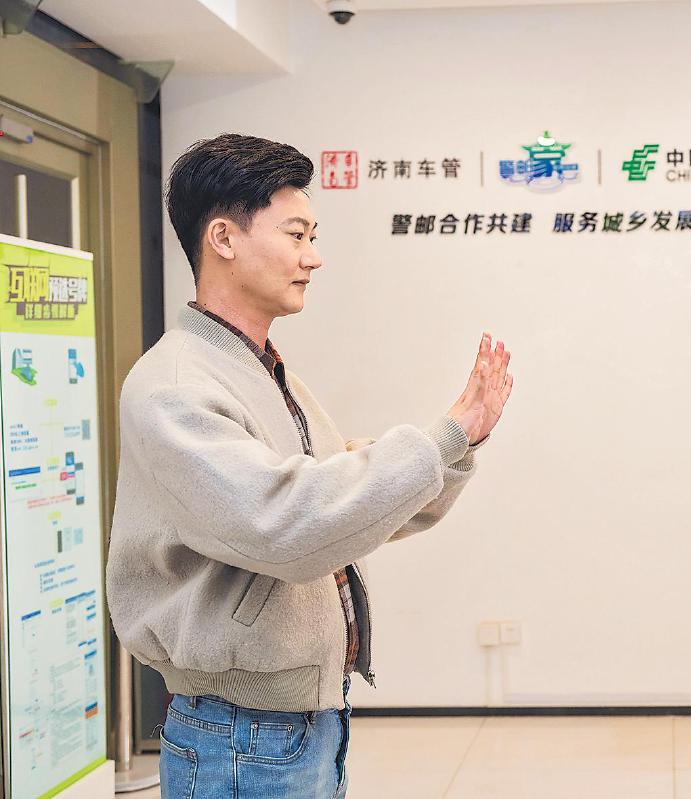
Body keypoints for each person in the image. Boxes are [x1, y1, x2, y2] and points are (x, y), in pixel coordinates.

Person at [106, 133, 513, 798]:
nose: (313, 257)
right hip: (239, 734)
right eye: (296, 235)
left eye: (312, 237)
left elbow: (340, 498)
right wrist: (442, 439)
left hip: (295, 726)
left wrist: (457, 447)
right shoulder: (175, 387)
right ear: (223, 238)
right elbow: (288, 523)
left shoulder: (261, 369)